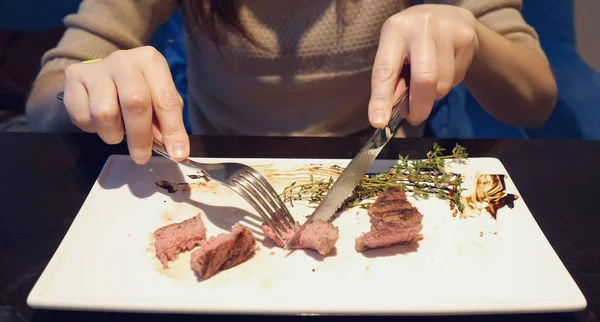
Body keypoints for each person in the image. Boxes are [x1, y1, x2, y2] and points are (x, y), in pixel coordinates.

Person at [25, 0, 557, 165]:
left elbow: (535, 101)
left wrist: (475, 38)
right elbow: (46, 97)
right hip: (215, 172)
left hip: (386, 171)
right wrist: (86, 85)